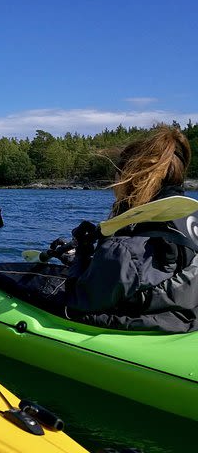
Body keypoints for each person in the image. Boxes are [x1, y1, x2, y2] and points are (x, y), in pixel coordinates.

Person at [63, 124, 198, 332]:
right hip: (184, 320)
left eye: (117, 177)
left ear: (132, 179)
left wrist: (81, 255)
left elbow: (78, 298)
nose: (114, 186)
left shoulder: (125, 249)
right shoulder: (191, 219)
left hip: (139, 329)